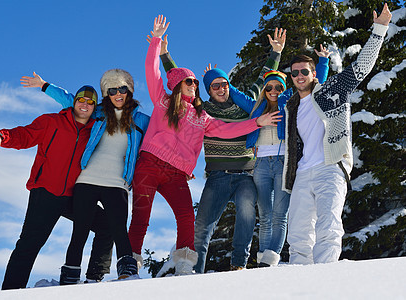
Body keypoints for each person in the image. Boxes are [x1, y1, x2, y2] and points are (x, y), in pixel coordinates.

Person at [128, 15, 282, 276]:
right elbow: (155, 73)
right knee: (143, 215)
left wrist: (257, 122)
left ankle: (188, 266)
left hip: (182, 173)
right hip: (152, 165)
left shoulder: (205, 116)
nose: (194, 85)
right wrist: (157, 44)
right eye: (193, 82)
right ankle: (130, 263)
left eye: (197, 83)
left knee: (188, 217)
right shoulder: (164, 102)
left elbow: (228, 128)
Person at [282, 3, 392, 265]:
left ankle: (324, 280)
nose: (299, 76)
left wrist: (379, 30)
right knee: (297, 232)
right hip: (303, 172)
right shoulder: (291, 106)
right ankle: (296, 281)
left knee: (328, 226)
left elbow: (361, 68)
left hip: (330, 167)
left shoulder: (332, 88)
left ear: (313, 73)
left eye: (304, 71)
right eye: (295, 72)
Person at [21, 70, 150, 282]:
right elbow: (72, 101)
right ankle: (70, 277)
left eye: (122, 89)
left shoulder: (142, 121)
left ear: (130, 91)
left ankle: (114, 275)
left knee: (118, 229)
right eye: (112, 90)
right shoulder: (98, 113)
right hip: (87, 181)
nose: (118, 94)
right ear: (106, 93)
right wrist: (45, 85)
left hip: (117, 183)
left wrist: (181, 164)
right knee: (79, 232)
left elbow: (161, 139)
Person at [0, 86, 113, 289]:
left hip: (74, 196)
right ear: (74, 102)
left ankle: (94, 279)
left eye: (90, 102)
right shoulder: (51, 122)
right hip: (46, 192)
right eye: (81, 100)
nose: (84, 104)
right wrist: (2, 135)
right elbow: (25, 134)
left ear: (93, 107)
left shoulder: (95, 132)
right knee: (29, 244)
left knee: (108, 224)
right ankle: (10, 291)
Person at [189, 28, 288, 273]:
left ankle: (238, 266)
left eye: (224, 84)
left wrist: (275, 53)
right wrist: (164, 54)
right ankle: (195, 273)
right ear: (208, 90)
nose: (221, 89)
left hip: (245, 174)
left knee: (246, 215)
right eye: (215, 86)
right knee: (202, 226)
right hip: (217, 175)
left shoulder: (246, 106)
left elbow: (262, 80)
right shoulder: (203, 112)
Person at [231, 43, 330, 267]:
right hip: (262, 165)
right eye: (269, 87)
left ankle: (271, 259)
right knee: (265, 214)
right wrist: (216, 79)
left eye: (278, 87)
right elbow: (234, 94)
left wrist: (322, 62)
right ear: (264, 90)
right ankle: (263, 257)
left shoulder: (288, 102)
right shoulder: (255, 108)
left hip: (284, 162)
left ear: (284, 88)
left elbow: (315, 85)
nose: (273, 91)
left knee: (279, 214)